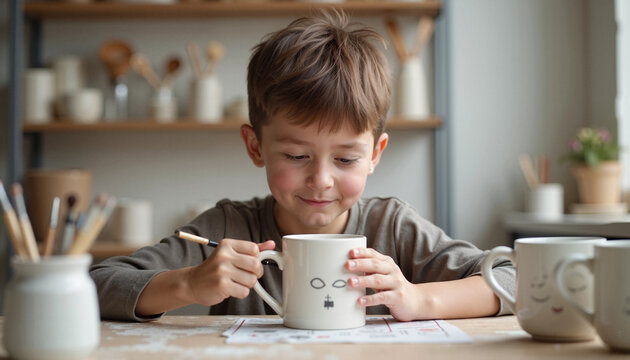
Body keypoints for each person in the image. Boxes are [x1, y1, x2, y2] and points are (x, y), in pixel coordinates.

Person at [90, 10, 515, 322]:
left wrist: (418, 299)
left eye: (346, 158)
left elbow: (516, 280)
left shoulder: (394, 228)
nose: (321, 179)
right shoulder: (226, 230)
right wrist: (187, 284)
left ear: (376, 155)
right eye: (296, 156)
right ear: (255, 146)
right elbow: (97, 284)